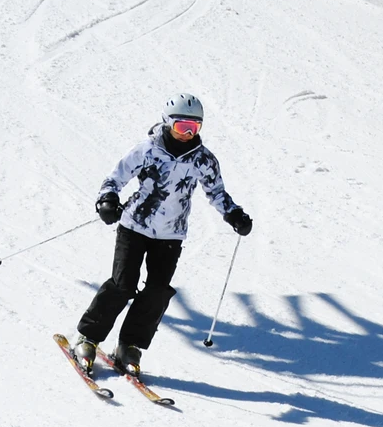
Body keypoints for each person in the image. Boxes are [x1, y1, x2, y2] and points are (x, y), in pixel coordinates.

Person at [73, 94, 252, 376]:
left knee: (157, 291)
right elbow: (115, 177)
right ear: (168, 123)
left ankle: (129, 345)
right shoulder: (147, 150)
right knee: (123, 284)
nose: (188, 134)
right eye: (183, 127)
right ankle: (88, 338)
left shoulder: (203, 160)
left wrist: (233, 213)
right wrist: (107, 199)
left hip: (171, 234)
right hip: (134, 226)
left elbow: (216, 192)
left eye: (195, 128)